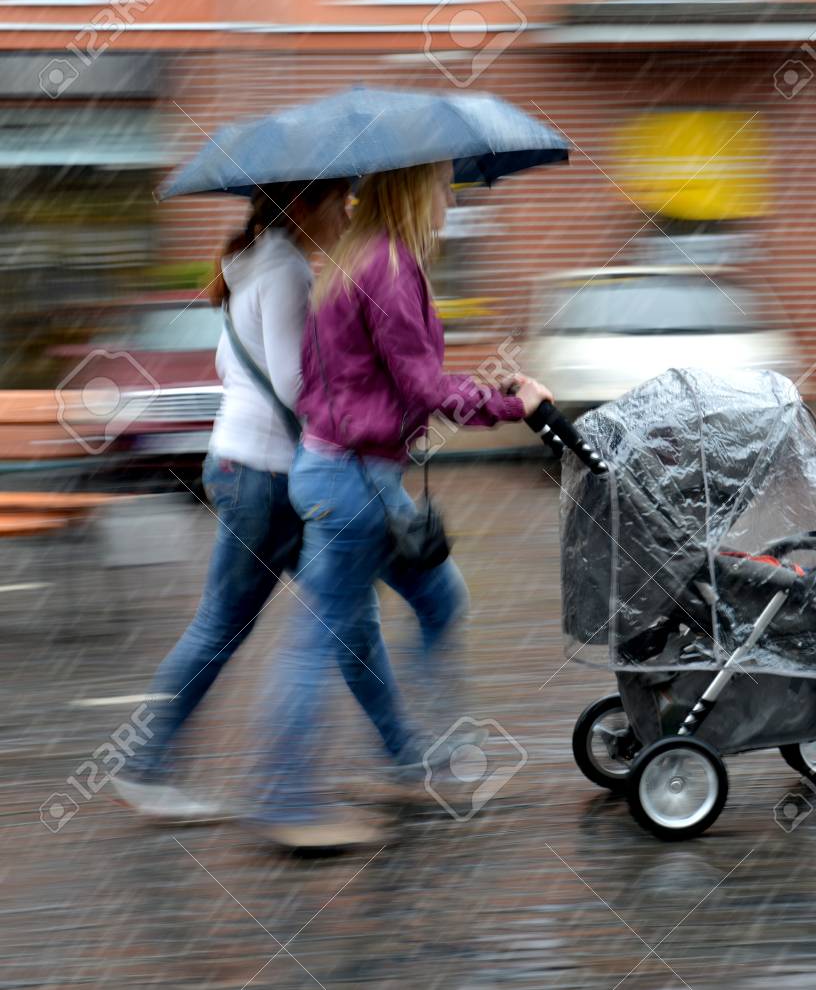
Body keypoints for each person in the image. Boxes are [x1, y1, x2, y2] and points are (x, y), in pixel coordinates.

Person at [252, 161, 551, 848]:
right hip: (353, 482)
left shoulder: (350, 257)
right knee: (318, 640)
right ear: (416, 189)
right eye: (444, 186)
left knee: (434, 604)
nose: (450, 199)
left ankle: (409, 757)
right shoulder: (388, 265)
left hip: (347, 472)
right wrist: (515, 405)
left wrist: (475, 390)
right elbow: (421, 385)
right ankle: (286, 800)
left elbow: (369, 375)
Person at [112, 178, 350, 820]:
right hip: (265, 475)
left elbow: (231, 364)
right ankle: (148, 765)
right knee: (238, 624)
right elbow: (295, 385)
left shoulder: (252, 262)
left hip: (242, 464)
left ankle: (400, 751)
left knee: (342, 611)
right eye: (341, 200)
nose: (349, 212)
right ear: (304, 206)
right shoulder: (286, 270)